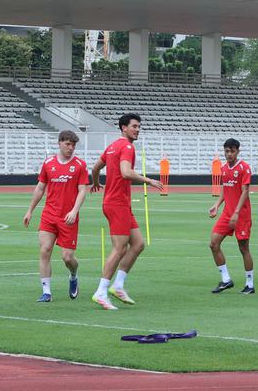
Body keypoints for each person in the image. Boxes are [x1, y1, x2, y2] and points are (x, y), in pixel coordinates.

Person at [89, 113, 163, 310]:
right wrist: (149, 180)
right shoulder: (127, 147)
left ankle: (118, 286)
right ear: (123, 128)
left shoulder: (112, 146)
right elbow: (126, 173)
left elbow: (95, 168)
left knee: (138, 244)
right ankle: (101, 292)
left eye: (139, 126)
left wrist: (96, 182)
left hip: (116, 203)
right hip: (117, 204)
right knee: (120, 248)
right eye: (134, 126)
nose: (137, 129)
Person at [23, 130, 89, 302]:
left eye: (73, 145)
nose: (71, 148)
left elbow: (83, 190)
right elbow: (40, 188)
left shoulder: (80, 165)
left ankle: (73, 276)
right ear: (60, 143)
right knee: (44, 251)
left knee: (67, 258)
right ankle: (46, 292)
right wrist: (30, 210)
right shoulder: (48, 163)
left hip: (68, 217)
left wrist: (74, 211)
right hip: (49, 215)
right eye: (68, 144)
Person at [208, 138, 254, 294]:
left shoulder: (244, 168)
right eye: (226, 151)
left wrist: (236, 212)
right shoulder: (223, 168)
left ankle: (250, 284)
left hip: (241, 215)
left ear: (237, 151)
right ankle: (226, 280)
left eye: (232, 151)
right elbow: (225, 188)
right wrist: (217, 205)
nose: (228, 154)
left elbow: (245, 191)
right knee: (213, 244)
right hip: (227, 214)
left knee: (243, 248)